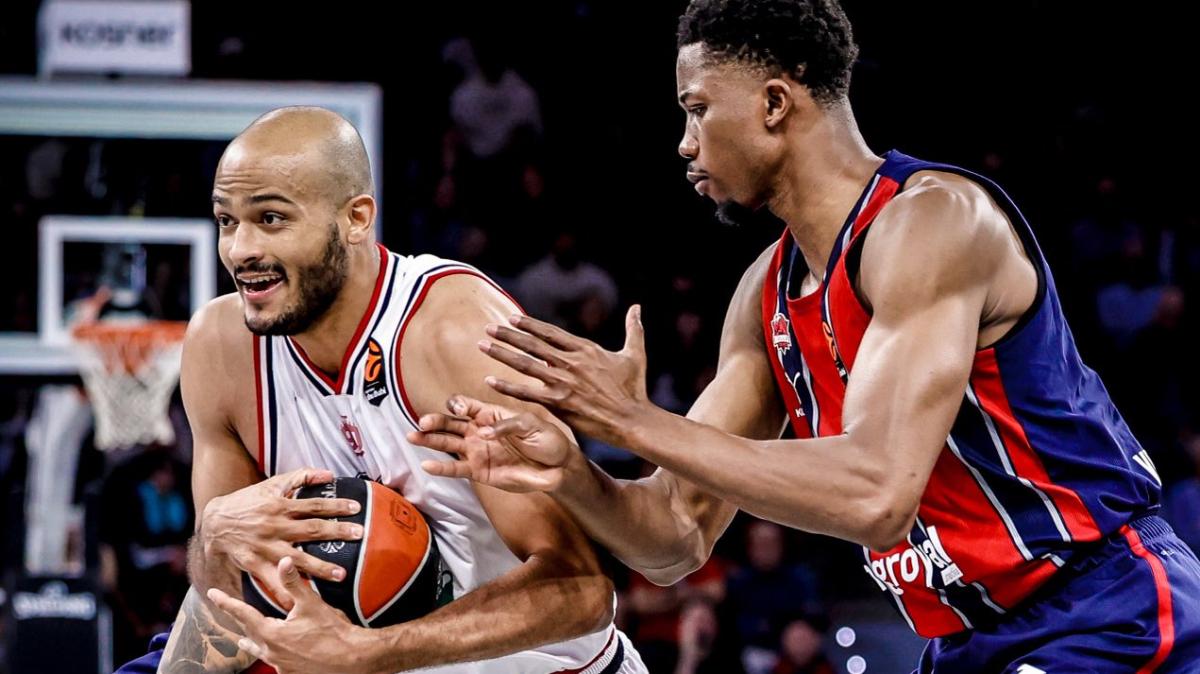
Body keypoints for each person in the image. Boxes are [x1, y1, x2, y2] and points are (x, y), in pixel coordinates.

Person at [408, 1, 1200, 670]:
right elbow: (673, 539)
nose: (684, 143)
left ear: (775, 104)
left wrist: (634, 420)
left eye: (696, 109)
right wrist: (577, 475)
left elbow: (876, 492)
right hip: (967, 640)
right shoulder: (764, 294)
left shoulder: (931, 223)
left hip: (1103, 608)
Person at [117, 106, 643, 674]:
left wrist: (367, 653)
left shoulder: (453, 332)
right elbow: (230, 595)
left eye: (270, 219)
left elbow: (583, 592)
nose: (240, 249)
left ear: (357, 218)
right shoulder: (221, 346)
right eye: (227, 220)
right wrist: (215, 537)